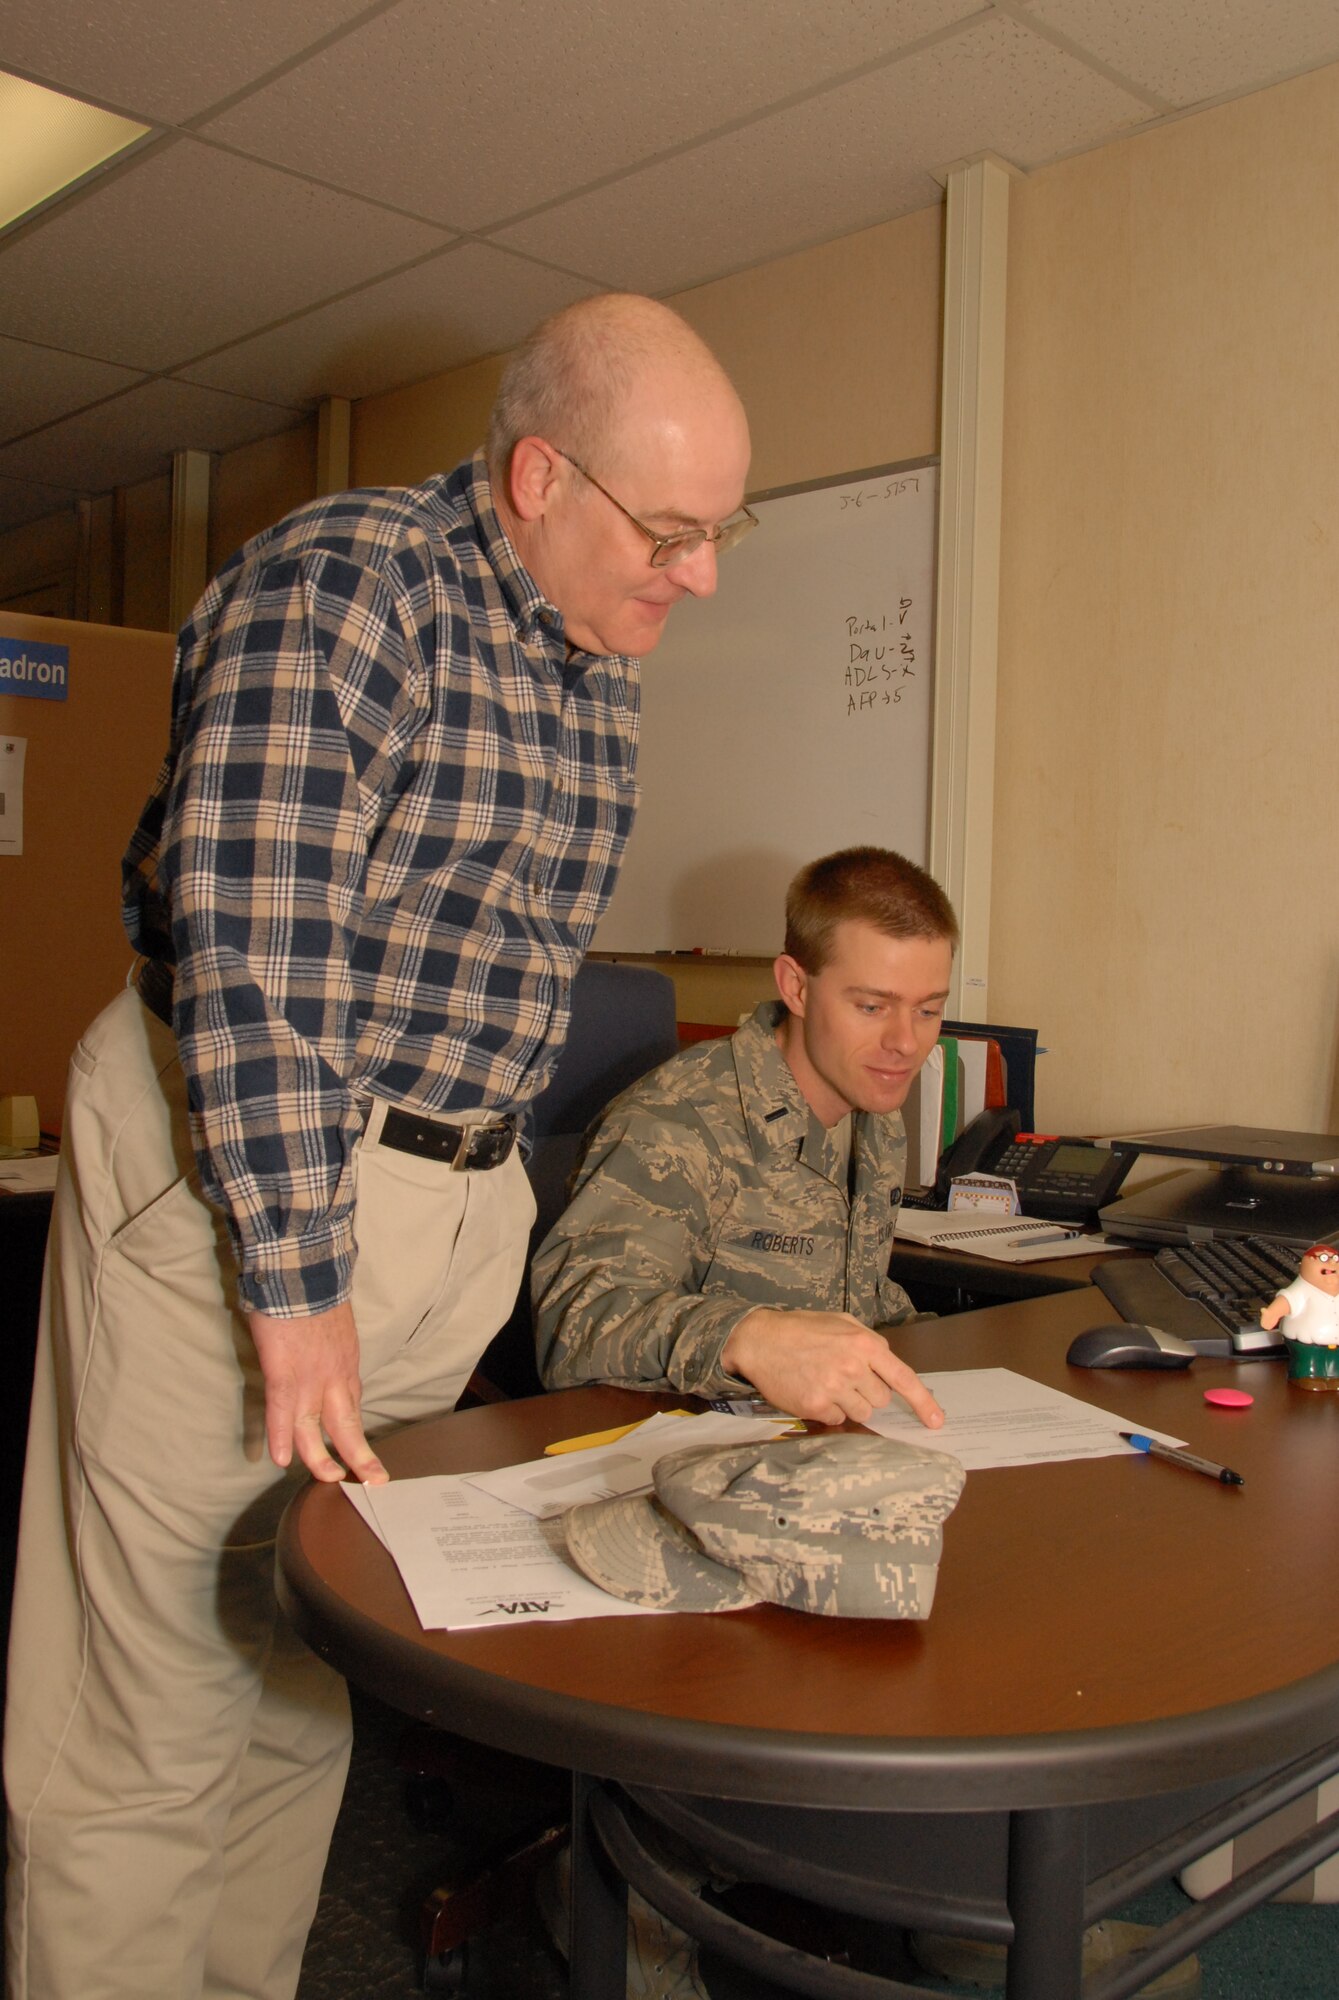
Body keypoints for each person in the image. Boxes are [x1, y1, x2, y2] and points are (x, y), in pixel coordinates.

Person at [4, 293, 752, 2000]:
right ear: (537, 477)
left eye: (724, 531)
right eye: (671, 531)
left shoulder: (592, 669)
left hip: (445, 1201)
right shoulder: (345, 589)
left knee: (298, 1667)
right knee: (144, 1727)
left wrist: (462, 1226)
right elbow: (257, 961)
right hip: (256, 1184)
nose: (700, 574)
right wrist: (300, 1282)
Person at [535, 845, 955, 1429]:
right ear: (797, 988)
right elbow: (576, 1330)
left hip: (816, 1445)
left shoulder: (874, 1115)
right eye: (871, 1006)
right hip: (677, 1457)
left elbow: (851, 1296)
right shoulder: (677, 1122)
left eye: (929, 1011)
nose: (906, 1043)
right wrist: (748, 1337)